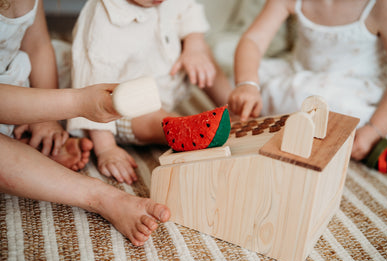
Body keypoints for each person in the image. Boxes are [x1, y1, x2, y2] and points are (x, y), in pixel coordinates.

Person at [68, 0, 232, 184]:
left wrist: (194, 47)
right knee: (151, 119)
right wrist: (106, 148)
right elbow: (92, 87)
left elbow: (189, 11)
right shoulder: (102, 21)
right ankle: (181, 129)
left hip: (163, 85)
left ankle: (232, 105)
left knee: (202, 51)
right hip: (119, 106)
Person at [228, 0, 387, 160]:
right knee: (242, 74)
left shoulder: (385, 6)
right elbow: (253, 40)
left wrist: (374, 131)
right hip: (300, 70)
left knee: (319, 103)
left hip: (355, 88)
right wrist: (247, 84)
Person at [0, 83, 171, 246]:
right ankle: (102, 197)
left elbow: (39, 51)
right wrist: (79, 102)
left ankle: (43, 144)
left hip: (27, 97)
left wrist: (47, 119)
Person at [0, 0, 94, 171]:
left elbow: (38, 46)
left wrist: (47, 119)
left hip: (13, 71)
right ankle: (22, 144)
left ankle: (39, 138)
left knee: (77, 68)